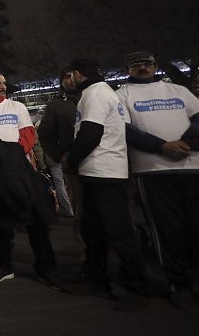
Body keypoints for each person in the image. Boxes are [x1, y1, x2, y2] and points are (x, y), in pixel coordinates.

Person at [63, 58, 152, 310]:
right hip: (99, 171)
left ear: (78, 74)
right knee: (93, 231)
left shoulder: (95, 94)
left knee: (119, 232)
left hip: (105, 171)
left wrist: (72, 159)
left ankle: (138, 287)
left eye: (71, 75)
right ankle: (95, 280)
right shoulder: (102, 92)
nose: (69, 80)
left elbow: (91, 132)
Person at [115, 51, 199, 308]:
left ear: (155, 66)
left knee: (194, 227)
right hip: (152, 170)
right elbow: (124, 128)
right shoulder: (122, 94)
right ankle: (178, 283)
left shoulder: (179, 91)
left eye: (147, 64)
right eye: (137, 65)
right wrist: (161, 146)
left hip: (191, 167)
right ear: (129, 69)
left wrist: (186, 142)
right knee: (167, 230)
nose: (143, 68)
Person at [0, 71, 59, 287]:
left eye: (3, 83)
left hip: (20, 168)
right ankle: (3, 265)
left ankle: (45, 267)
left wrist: (12, 155)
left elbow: (28, 134)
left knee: (35, 219)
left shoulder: (17, 107)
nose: (2, 86)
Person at [37, 69, 79, 218]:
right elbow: (44, 132)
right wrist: (57, 155)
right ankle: (71, 213)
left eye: (75, 76)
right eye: (68, 77)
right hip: (65, 158)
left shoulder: (91, 97)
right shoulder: (55, 105)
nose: (72, 80)